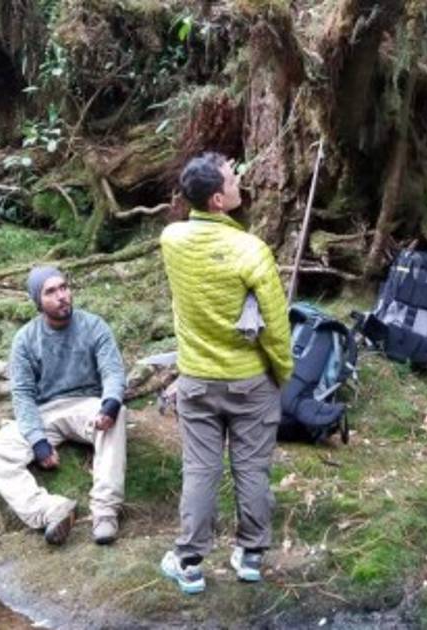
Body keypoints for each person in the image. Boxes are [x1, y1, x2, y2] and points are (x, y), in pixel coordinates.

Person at [157, 152, 293, 594]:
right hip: (251, 381)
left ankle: (190, 563)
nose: (240, 183)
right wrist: (282, 370)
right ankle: (250, 556)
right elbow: (275, 324)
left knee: (201, 469)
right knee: (252, 469)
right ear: (218, 200)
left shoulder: (172, 240)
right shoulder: (251, 250)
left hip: (197, 379)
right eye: (232, 181)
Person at [0, 267, 127, 545]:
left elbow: (113, 372)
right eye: (51, 292)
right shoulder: (25, 339)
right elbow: (22, 394)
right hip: (45, 412)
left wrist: (110, 405)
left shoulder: (94, 326)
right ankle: (51, 510)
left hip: (87, 405)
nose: (61, 296)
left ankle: (106, 511)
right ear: (38, 301)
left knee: (118, 415)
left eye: (64, 287)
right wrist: (38, 441)